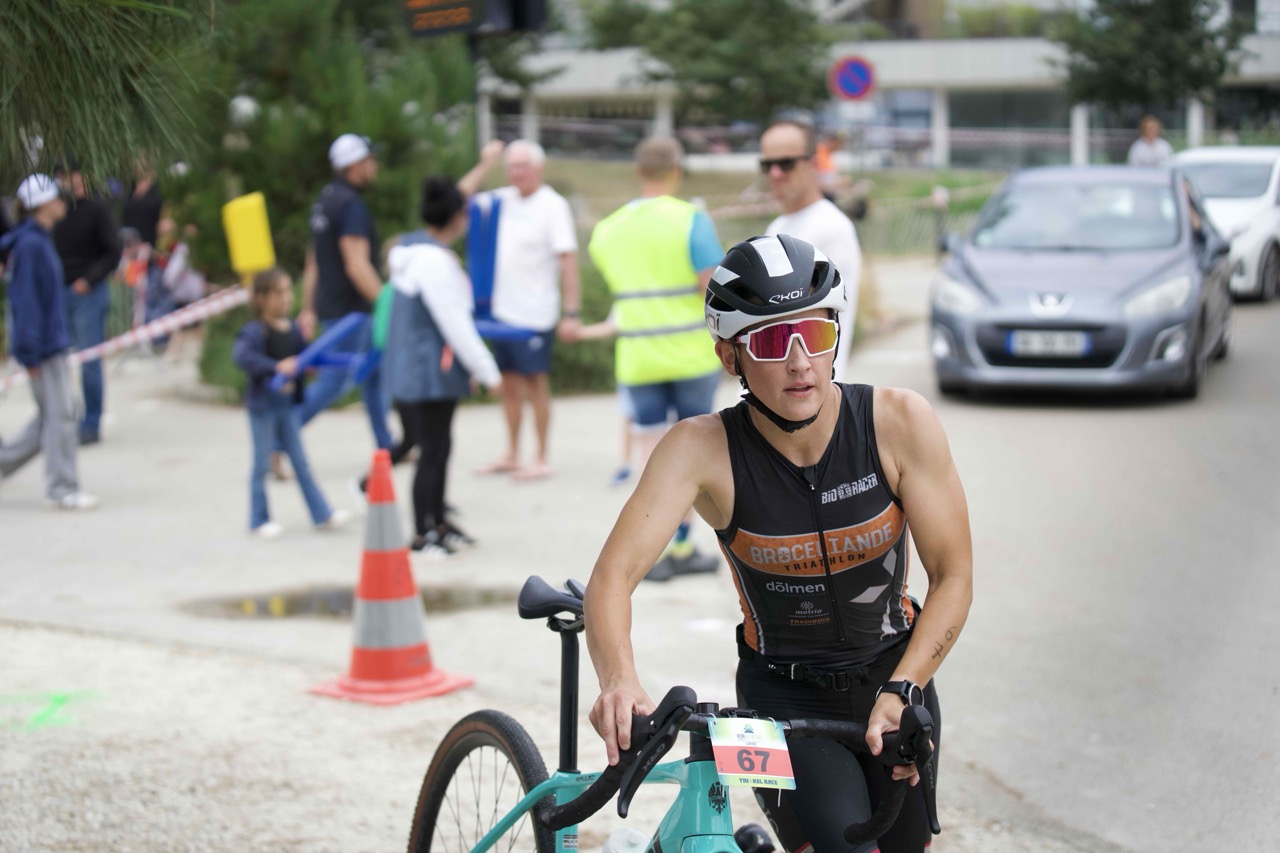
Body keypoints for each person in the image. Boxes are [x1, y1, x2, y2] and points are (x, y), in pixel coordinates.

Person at [583, 235, 973, 853]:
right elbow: (612, 578)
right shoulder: (700, 450)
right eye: (770, 342)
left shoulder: (899, 423)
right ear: (729, 357)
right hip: (779, 701)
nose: (799, 362)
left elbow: (953, 576)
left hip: (896, 680)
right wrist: (619, 679)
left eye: (815, 334)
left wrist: (906, 686)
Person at [582, 136, 726, 580]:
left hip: (639, 356)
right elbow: (712, 288)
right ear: (676, 170)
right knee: (693, 456)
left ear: (638, 171)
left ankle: (652, 553)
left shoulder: (608, 229)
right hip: (690, 356)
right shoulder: (691, 220)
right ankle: (681, 547)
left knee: (650, 454)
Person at [385, 177, 503, 556]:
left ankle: (437, 522)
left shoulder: (409, 253)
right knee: (433, 452)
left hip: (417, 369)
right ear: (456, 217)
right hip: (429, 373)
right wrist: (487, 371)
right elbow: (456, 325)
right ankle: (424, 534)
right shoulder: (435, 262)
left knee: (438, 448)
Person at [475, 140, 580, 481]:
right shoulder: (501, 199)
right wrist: (485, 164)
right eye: (511, 166)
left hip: (536, 313)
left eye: (523, 166)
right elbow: (458, 201)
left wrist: (572, 312)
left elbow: (568, 261)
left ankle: (541, 455)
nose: (516, 173)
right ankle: (511, 452)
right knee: (508, 385)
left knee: (535, 385)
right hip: (502, 311)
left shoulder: (553, 205)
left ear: (538, 168)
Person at [292, 133, 393, 465]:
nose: (374, 166)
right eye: (370, 160)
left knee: (374, 374)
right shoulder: (351, 206)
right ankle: (280, 439)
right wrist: (389, 304)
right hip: (351, 310)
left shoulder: (325, 200)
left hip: (332, 305)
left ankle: (386, 445)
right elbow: (357, 265)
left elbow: (313, 261)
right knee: (334, 382)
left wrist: (308, 307)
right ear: (355, 166)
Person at [0, 175, 98, 510]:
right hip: (43, 348)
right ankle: (62, 489)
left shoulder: (37, 240)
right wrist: (31, 354)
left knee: (53, 415)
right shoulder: (31, 245)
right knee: (62, 417)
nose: (62, 202)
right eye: (57, 197)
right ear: (41, 205)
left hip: (49, 343)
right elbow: (26, 303)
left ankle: (5, 462)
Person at [233, 267, 350, 538]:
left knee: (301, 462)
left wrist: (313, 365)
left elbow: (303, 357)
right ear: (261, 298)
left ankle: (322, 513)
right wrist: (275, 367)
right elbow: (242, 357)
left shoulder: (292, 329)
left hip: (288, 407)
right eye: (278, 292)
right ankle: (258, 519)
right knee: (261, 464)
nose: (286, 297)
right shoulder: (255, 331)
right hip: (264, 407)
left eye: (287, 291)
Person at [760, 120, 861, 383]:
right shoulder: (779, 226)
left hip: (807, 387)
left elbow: (795, 317)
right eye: (767, 165)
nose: (775, 174)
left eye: (786, 164)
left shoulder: (830, 227)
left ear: (814, 163)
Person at [53, 159, 121, 446]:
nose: (72, 181)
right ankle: (63, 419)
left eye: (76, 175)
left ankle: (91, 423)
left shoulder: (97, 209)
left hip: (88, 293)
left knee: (89, 360)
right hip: (58, 292)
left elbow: (114, 251)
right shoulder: (56, 210)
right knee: (56, 362)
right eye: (65, 176)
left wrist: (88, 280)